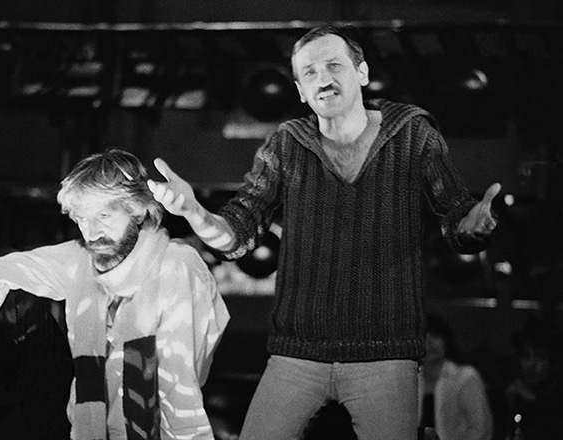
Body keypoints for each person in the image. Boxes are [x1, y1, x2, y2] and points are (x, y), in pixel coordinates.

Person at [147, 23, 501, 440]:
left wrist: (473, 226)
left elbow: (455, 216)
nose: (323, 78)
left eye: (334, 65)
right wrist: (195, 213)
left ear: (361, 73)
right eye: (310, 72)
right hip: (298, 353)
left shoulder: (411, 134)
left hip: (385, 354)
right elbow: (239, 233)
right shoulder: (287, 144)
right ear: (300, 92)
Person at [0, 149, 230, 440]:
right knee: (13, 303)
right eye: (82, 219)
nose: (92, 233)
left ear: (137, 212)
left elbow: (181, 394)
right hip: (83, 428)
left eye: (104, 216)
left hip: (152, 430)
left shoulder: (177, 266)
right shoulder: (82, 260)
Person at [419, 314, 493, 440]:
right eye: (424, 337)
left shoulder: (466, 377)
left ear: (446, 340)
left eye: (435, 336)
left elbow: (481, 429)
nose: (430, 343)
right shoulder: (409, 380)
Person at [501, 316, 563, 440]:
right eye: (525, 356)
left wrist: (532, 400)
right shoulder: (514, 392)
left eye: (540, 357)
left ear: (554, 362)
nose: (531, 365)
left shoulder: (556, 398)